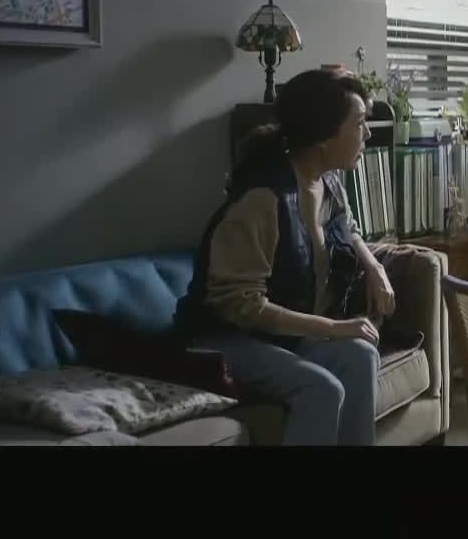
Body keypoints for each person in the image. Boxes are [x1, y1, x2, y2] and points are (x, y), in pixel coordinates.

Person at [174, 67, 433, 446]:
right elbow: (239, 305)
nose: (367, 133)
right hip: (226, 338)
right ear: (324, 136)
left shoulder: (329, 182)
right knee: (322, 389)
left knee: (361, 355)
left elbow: (348, 229)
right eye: (359, 122)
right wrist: (331, 328)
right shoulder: (263, 199)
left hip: (284, 336)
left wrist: (374, 265)